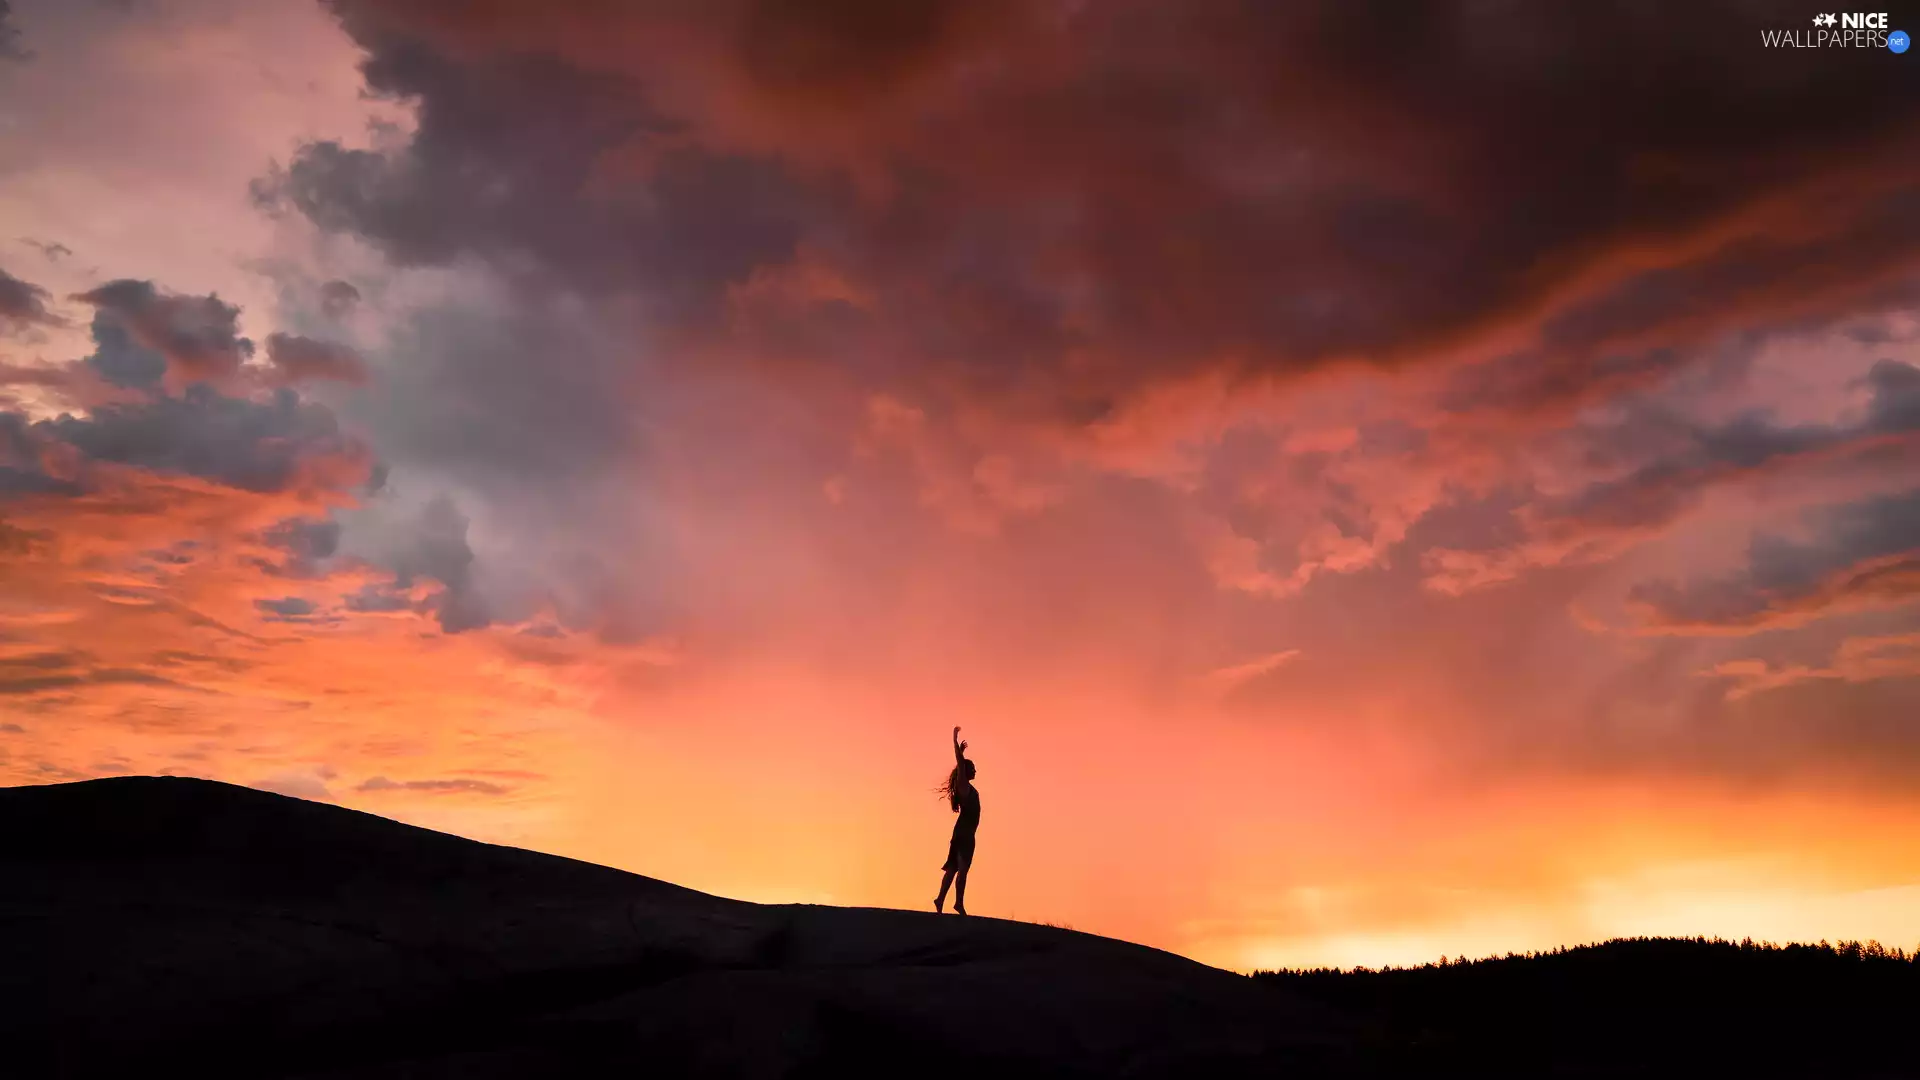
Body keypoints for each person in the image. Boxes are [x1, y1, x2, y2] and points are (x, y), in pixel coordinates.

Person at [935, 725, 980, 915]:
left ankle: (940, 900)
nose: (975, 771)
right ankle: (958, 903)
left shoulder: (966, 788)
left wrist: (961, 751)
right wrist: (955, 742)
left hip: (961, 832)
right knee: (962, 869)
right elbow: (960, 765)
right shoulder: (964, 787)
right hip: (965, 834)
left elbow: (961, 766)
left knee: (952, 868)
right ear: (967, 771)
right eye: (973, 769)